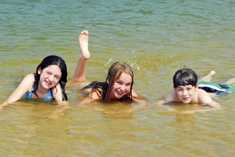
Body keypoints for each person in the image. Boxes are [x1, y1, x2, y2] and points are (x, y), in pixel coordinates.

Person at [72, 31, 144, 105]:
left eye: (128, 84)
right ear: (109, 80)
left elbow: (145, 103)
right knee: (77, 83)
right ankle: (83, 58)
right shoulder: (97, 94)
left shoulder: (129, 92)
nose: (123, 88)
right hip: (92, 87)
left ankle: (84, 57)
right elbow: (79, 105)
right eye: (119, 83)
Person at [0, 55, 68, 111]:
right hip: (23, 85)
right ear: (40, 70)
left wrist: (58, 101)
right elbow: (9, 102)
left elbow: (64, 108)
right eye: (49, 73)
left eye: (56, 77)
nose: (51, 79)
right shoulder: (30, 80)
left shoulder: (56, 89)